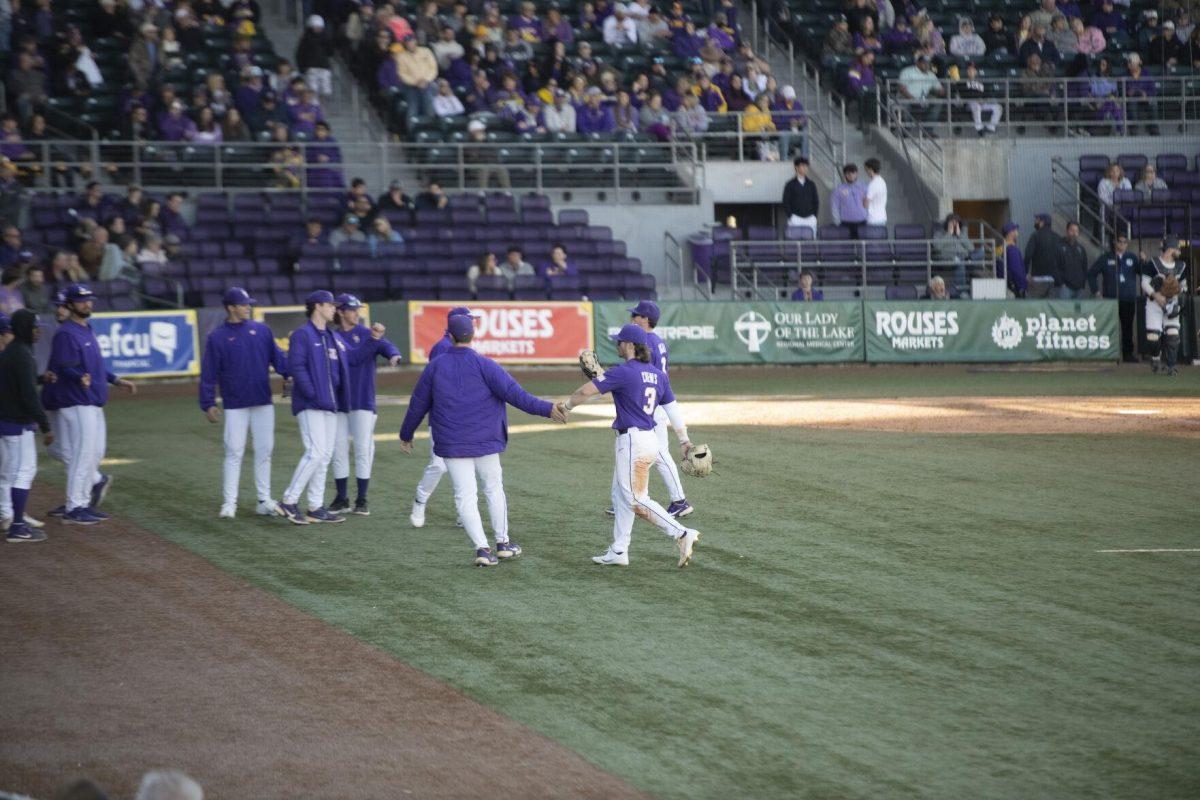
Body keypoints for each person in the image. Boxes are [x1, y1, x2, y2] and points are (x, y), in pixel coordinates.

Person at [399, 313, 564, 566]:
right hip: (485, 440)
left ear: (450, 335)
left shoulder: (435, 366)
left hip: (452, 443)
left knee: (465, 496)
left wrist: (406, 435)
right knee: (493, 489)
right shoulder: (485, 365)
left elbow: (417, 404)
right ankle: (503, 543)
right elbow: (516, 395)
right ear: (473, 334)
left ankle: (482, 549)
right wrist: (548, 409)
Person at [556, 323, 700, 568]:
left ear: (631, 345)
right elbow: (671, 408)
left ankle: (682, 533)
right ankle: (619, 550)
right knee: (620, 496)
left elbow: (585, 391)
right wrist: (684, 440)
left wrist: (566, 407)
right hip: (649, 439)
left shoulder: (623, 372)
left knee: (635, 498)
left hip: (633, 442)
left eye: (620, 341)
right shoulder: (657, 374)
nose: (617, 344)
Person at [47, 283, 136, 525]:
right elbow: (63, 365)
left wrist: (116, 380)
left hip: (93, 400)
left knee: (94, 454)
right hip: (76, 401)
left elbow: (95, 366)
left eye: (89, 300)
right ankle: (75, 506)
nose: (87, 303)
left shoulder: (87, 329)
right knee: (81, 454)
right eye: (81, 300)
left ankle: (82, 502)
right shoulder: (66, 333)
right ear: (70, 305)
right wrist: (78, 376)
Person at [199, 287, 290, 519]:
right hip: (235, 403)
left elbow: (279, 360)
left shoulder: (262, 331)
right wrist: (208, 402)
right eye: (243, 304)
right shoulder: (217, 337)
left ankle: (264, 500)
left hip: (262, 400)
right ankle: (230, 502)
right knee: (234, 451)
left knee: (264, 450)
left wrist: (293, 372)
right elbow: (208, 373)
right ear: (231, 308)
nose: (248, 307)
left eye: (248, 303)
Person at [275, 290, 352, 525]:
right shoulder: (302, 334)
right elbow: (296, 367)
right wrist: (311, 394)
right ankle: (288, 500)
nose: (334, 309)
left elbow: (337, 370)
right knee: (315, 453)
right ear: (317, 306)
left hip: (329, 403)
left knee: (324, 455)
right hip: (311, 403)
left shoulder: (329, 335)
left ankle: (315, 506)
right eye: (330, 305)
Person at [329, 295, 401, 516]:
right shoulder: (333, 336)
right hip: (339, 401)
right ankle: (342, 498)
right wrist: (375, 340)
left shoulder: (364, 332)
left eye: (357, 309)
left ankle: (362, 499)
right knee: (339, 450)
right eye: (352, 309)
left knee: (362, 449)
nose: (356, 313)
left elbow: (386, 345)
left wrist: (393, 354)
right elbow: (351, 358)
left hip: (362, 399)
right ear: (340, 311)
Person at [409, 306, 474, 528]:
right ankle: (420, 501)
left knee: (465, 466)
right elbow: (435, 386)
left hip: (463, 418)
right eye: (470, 320)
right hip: (442, 418)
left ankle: (463, 513)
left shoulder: (464, 349)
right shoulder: (442, 348)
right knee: (439, 465)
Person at [0, 309, 52, 542]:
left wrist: (41, 379)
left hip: (10, 421)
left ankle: (14, 518)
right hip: (15, 423)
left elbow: (19, 385)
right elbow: (29, 395)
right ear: (24, 328)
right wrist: (45, 425)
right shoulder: (20, 354)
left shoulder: (14, 352)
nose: (38, 331)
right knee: (22, 472)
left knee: (13, 472)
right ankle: (17, 526)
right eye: (34, 327)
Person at [1086, 233, 1141, 362]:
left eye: (1124, 242)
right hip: (1111, 300)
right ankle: (1109, 354)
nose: (1122, 244)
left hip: (1128, 299)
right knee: (1109, 327)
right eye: (1120, 241)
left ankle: (1127, 355)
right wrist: (1096, 292)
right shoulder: (1106, 258)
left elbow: (1142, 272)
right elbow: (1091, 274)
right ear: (1114, 242)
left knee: (1127, 328)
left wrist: (1143, 260)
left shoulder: (1132, 258)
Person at [1140, 239, 1187, 375]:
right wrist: (1156, 295)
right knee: (1153, 338)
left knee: (1173, 334)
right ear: (1170, 249)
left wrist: (1178, 291)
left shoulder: (1181, 265)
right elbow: (1144, 283)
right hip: (1155, 302)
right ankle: (1155, 357)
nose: (1179, 251)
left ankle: (1171, 366)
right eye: (1178, 249)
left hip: (1172, 303)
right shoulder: (1153, 263)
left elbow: (1184, 285)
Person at [955, 61, 1001, 135]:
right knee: (976, 105)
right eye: (969, 70)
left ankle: (991, 127)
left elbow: (987, 93)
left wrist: (984, 100)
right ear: (967, 71)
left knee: (998, 107)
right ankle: (979, 128)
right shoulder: (962, 81)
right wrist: (976, 99)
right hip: (969, 103)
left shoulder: (981, 82)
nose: (971, 71)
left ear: (976, 72)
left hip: (981, 103)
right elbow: (963, 94)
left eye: (973, 70)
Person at [933, 213, 974, 290]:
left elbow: (971, 248)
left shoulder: (962, 233)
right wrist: (949, 234)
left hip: (963, 256)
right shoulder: (940, 233)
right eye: (952, 223)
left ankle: (967, 259)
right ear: (947, 223)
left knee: (981, 252)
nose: (954, 225)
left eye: (956, 223)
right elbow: (937, 247)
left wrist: (959, 235)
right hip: (948, 258)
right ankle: (961, 290)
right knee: (960, 261)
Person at [782, 156, 819, 235]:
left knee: (810, 243)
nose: (805, 168)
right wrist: (791, 216)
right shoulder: (790, 184)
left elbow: (816, 201)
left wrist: (814, 216)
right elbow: (786, 202)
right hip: (795, 218)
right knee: (794, 243)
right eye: (802, 166)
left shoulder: (811, 184)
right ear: (796, 167)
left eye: (806, 166)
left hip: (810, 218)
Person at [1053, 221, 1089, 299]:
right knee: (1064, 311)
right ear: (1067, 231)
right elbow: (1054, 268)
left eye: (1076, 231)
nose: (1074, 233)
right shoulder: (1058, 247)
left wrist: (1082, 284)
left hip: (1079, 289)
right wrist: (1061, 284)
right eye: (1072, 230)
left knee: (1077, 312)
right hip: (1064, 289)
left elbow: (1085, 268)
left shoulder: (1081, 249)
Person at [830, 163, 868, 236]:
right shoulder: (838, 189)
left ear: (857, 174)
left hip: (862, 222)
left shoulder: (864, 187)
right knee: (846, 246)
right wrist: (837, 222)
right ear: (844, 175)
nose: (851, 176)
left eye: (853, 173)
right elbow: (834, 206)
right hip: (845, 223)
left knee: (862, 246)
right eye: (848, 173)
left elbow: (868, 204)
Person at [1023, 212, 1060, 281]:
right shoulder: (1057, 237)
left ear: (1042, 222)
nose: (1035, 222)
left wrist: (1025, 272)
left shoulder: (1035, 236)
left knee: (1039, 292)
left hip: (1038, 276)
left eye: (1037, 220)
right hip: (1054, 276)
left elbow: (1028, 255)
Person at [998, 221, 1028, 297]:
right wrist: (1022, 286)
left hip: (1003, 287)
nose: (1017, 233)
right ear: (1011, 233)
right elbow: (1016, 270)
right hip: (1014, 289)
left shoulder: (999, 248)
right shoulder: (1012, 250)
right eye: (1015, 230)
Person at [863, 158, 887, 226]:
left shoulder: (873, 184)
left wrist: (863, 199)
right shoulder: (882, 181)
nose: (866, 171)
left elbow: (865, 204)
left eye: (866, 169)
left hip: (873, 219)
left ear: (870, 169)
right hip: (882, 217)